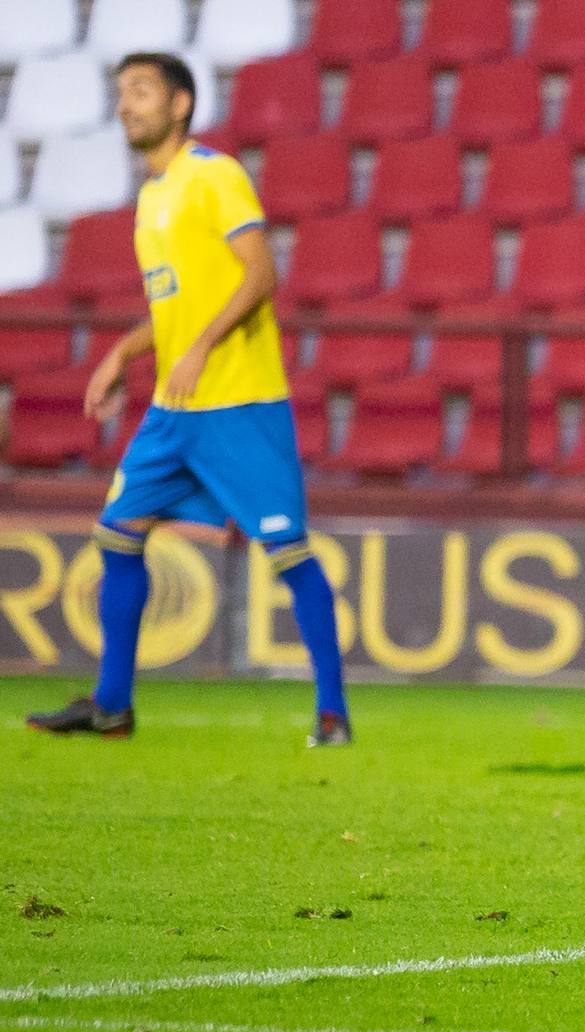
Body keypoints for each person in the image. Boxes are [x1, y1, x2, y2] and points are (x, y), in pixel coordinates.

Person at [25, 53, 348, 746]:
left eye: (140, 92)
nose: (125, 105)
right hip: (174, 413)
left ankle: (332, 711)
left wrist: (201, 346)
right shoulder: (151, 196)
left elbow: (261, 272)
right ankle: (112, 705)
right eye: (120, 94)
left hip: (239, 402)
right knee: (117, 533)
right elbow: (174, 307)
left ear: (179, 104)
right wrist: (122, 353)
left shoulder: (215, 174)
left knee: (287, 550)